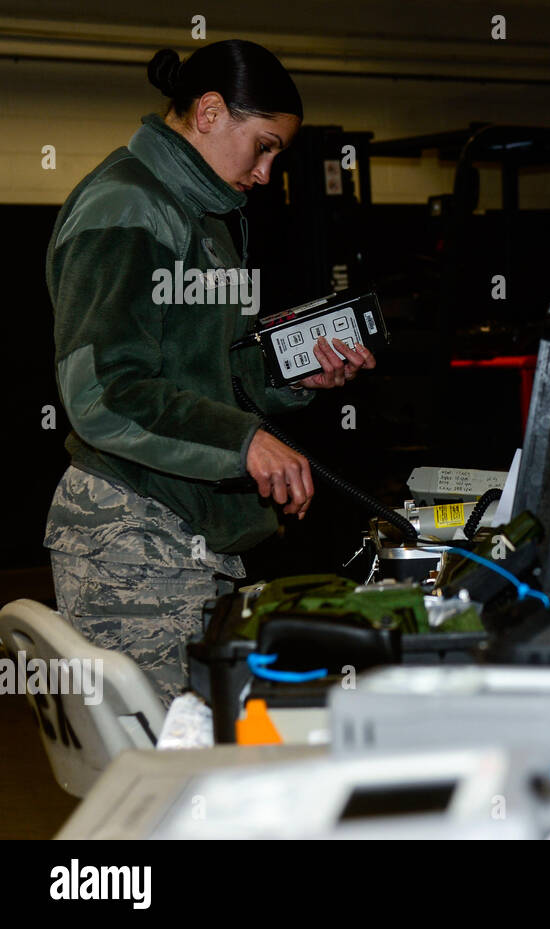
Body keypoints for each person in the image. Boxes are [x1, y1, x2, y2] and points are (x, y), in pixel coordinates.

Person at [44, 40, 376, 707]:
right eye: (264, 145)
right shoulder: (126, 207)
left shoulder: (205, 218)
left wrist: (292, 375)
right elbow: (105, 391)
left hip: (191, 533)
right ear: (209, 112)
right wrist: (246, 442)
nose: (266, 171)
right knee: (176, 769)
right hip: (132, 538)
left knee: (211, 758)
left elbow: (213, 372)